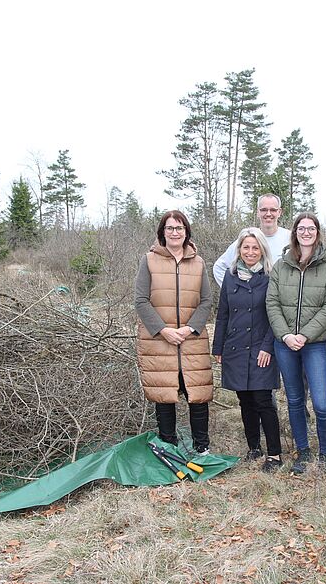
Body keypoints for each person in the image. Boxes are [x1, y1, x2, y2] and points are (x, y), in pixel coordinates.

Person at [266, 212, 326, 474]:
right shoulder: (282, 265)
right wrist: (286, 335)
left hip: (315, 344)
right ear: (295, 232)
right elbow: (272, 302)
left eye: (311, 228)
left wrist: (305, 335)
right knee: (295, 399)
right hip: (284, 344)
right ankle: (303, 451)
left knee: (321, 402)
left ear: (317, 232)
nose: (306, 232)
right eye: (301, 228)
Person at [135, 210, 213, 454]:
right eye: (170, 228)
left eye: (179, 228)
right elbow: (141, 300)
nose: (175, 232)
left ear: (186, 232)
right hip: (159, 340)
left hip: (192, 339)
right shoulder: (149, 260)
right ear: (162, 232)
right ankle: (169, 445)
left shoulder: (198, 262)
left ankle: (202, 447)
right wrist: (163, 330)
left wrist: (190, 328)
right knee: (164, 394)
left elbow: (207, 301)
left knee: (197, 393)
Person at [212, 228, 282, 473]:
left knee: (263, 399)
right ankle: (254, 447)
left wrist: (268, 347)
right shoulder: (230, 277)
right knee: (244, 399)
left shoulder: (271, 277)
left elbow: (277, 316)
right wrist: (218, 347)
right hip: (235, 347)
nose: (250, 252)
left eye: (255, 248)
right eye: (246, 247)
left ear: (262, 250)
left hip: (262, 347)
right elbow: (222, 315)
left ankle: (274, 453)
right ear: (239, 250)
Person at [213, 193, 290, 287]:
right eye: (264, 210)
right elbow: (219, 267)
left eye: (273, 210)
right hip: (253, 300)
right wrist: (232, 291)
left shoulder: (290, 238)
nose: (268, 214)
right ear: (258, 212)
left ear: (279, 212)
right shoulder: (248, 240)